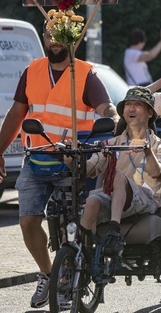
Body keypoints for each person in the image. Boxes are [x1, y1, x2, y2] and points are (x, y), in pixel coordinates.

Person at [0, 23, 118, 309]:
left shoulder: (86, 74)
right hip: (36, 158)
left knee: (70, 227)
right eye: (49, 35)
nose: (54, 41)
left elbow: (107, 109)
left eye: (60, 35)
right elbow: (17, 112)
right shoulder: (32, 70)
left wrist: (114, 121)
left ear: (72, 39)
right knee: (28, 221)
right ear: (43, 37)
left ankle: (71, 274)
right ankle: (49, 275)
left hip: (72, 161)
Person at [72, 87, 161, 255]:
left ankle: (114, 231)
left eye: (138, 105)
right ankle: (83, 258)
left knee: (118, 176)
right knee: (92, 202)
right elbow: (88, 169)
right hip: (112, 197)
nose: (131, 108)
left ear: (149, 113)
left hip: (145, 200)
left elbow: (158, 174)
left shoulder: (158, 146)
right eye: (128, 105)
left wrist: (147, 151)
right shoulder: (111, 144)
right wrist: (72, 162)